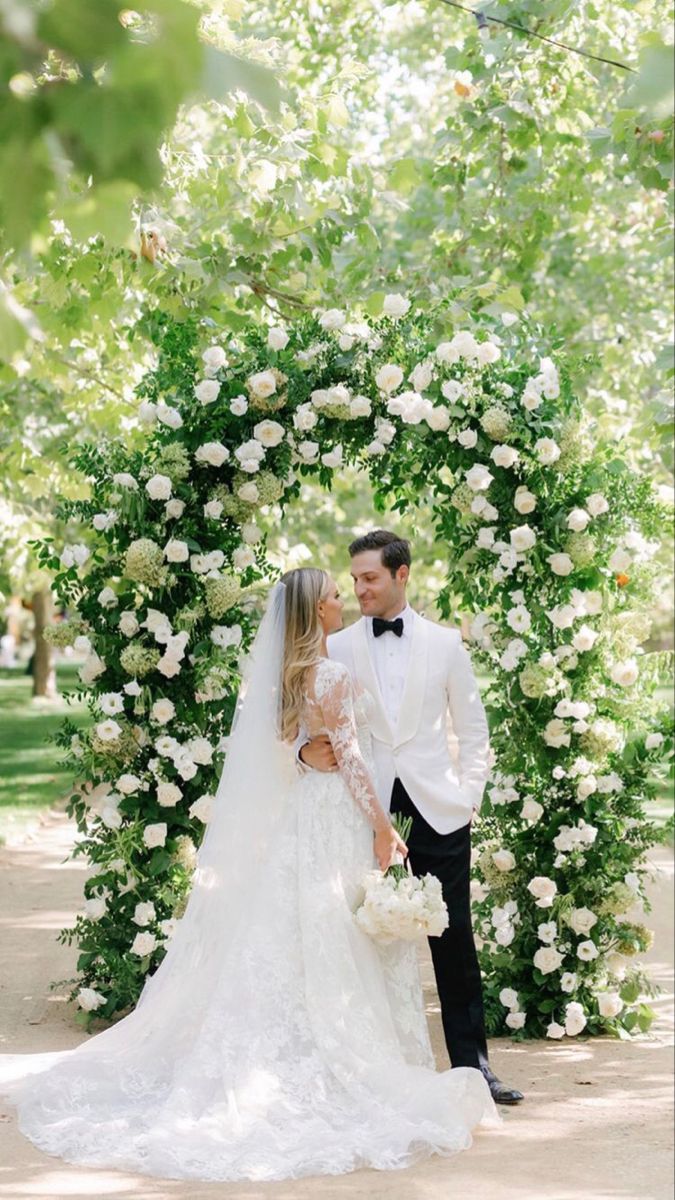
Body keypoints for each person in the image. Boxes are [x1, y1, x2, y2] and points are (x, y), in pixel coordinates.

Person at [0, 569, 496, 1183]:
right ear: (316, 612)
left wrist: (301, 754)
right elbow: (353, 763)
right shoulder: (332, 671)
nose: (343, 599)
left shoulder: (282, 678)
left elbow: (277, 751)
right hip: (335, 816)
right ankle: (337, 1050)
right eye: (334, 595)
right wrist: (380, 827)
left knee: (295, 925)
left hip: (298, 820)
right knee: (335, 929)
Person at [299, 531, 524, 1106]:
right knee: (365, 937)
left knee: (454, 940)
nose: (359, 590)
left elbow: (474, 732)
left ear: (402, 575)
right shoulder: (339, 645)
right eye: (353, 580)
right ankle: (377, 1070)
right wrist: (302, 754)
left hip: (438, 812)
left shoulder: (448, 645)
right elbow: (298, 714)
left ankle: (474, 1069)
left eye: (370, 578)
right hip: (365, 812)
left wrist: (467, 797)